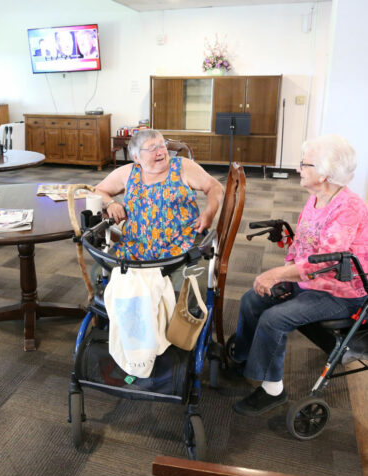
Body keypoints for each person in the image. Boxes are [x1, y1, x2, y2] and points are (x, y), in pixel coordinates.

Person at [231, 134, 368, 416]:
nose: (298, 169)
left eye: (304, 164)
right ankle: (243, 358)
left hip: (340, 292)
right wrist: (285, 273)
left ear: (325, 173)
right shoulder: (316, 197)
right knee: (252, 299)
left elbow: (324, 261)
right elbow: (302, 244)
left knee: (274, 318)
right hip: (311, 281)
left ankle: (273, 391)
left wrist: (279, 273)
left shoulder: (349, 209)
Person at [94, 129, 224, 262]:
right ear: (136, 157)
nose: (161, 152)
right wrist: (111, 203)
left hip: (182, 247)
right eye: (152, 149)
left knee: (164, 282)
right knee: (107, 275)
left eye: (162, 145)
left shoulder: (181, 166)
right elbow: (96, 191)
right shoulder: (128, 172)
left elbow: (215, 187)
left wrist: (209, 212)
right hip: (134, 249)